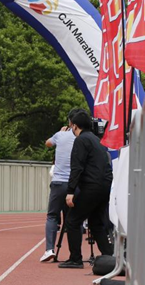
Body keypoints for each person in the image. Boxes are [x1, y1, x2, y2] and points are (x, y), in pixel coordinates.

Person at [58, 109, 114, 269]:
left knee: (72, 220)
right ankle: (109, 259)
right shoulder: (97, 140)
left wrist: (70, 192)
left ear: (74, 126)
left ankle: (75, 258)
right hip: (104, 186)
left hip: (92, 186)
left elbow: (77, 168)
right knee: (96, 223)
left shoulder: (81, 141)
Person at [39, 109, 77, 262]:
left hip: (59, 182)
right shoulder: (85, 138)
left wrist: (60, 132)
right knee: (74, 218)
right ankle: (75, 254)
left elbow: (48, 143)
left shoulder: (61, 135)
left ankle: (49, 249)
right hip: (75, 184)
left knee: (52, 216)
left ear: (70, 122)